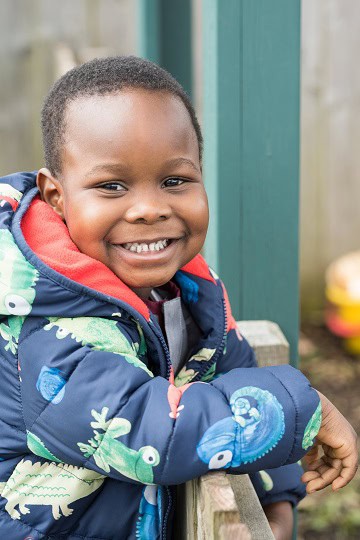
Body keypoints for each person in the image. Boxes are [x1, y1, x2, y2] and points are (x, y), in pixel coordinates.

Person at [0, 56, 356, 540]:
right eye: (111, 186)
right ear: (56, 196)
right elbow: (148, 431)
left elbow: (237, 371)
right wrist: (303, 411)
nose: (149, 209)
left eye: (174, 181)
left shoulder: (188, 290)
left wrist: (275, 495)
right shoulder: (45, 328)